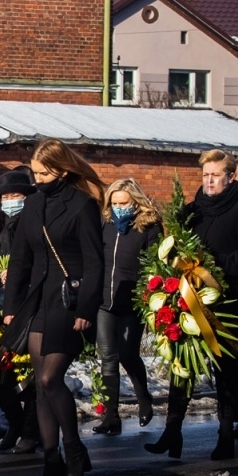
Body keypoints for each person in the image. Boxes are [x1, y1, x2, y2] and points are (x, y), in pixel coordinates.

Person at [144, 149, 238, 460]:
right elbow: (174, 247)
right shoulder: (191, 212)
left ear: (229, 177)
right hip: (188, 301)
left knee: (226, 371)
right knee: (181, 366)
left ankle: (225, 434)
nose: (209, 180)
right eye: (205, 175)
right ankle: (172, 432)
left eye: (215, 175)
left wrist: (215, 267)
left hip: (229, 305)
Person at [4, 139, 105, 476]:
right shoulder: (32, 205)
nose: (37, 178)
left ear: (61, 171)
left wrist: (87, 308)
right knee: (40, 388)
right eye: (34, 171)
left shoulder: (82, 205)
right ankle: (51, 461)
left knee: (50, 379)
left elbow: (95, 263)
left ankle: (74, 449)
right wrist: (11, 308)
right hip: (38, 301)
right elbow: (20, 260)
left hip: (69, 301)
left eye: (43, 173)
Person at [0, 167, 39, 453]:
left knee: (29, 374)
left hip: (28, 306)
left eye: (16, 194)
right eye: (6, 195)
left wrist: (18, 277)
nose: (11, 200)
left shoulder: (36, 223)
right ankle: (13, 422)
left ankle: (30, 429)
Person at [94, 178, 159, 435]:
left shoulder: (149, 227)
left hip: (133, 301)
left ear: (136, 202)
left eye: (125, 203)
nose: (119, 207)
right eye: (115, 203)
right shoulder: (104, 224)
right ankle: (111, 416)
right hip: (104, 301)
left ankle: (144, 397)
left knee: (127, 354)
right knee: (108, 357)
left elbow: (155, 263)